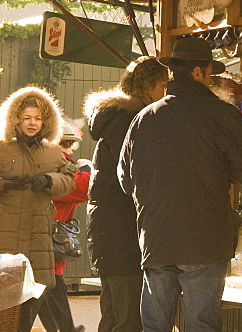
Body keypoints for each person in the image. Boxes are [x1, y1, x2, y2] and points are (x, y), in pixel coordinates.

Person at [118, 37, 242, 332]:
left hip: (156, 240)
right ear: (199, 73)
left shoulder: (143, 118)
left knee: (155, 327)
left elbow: (125, 179)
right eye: (210, 73)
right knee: (201, 326)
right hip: (204, 241)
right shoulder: (220, 115)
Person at [0, 87, 75, 332]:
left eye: (38, 118)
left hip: (37, 237)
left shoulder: (52, 150)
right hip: (0, 234)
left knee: (33, 297)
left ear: (46, 120)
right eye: (27, 117)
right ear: (16, 118)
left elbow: (69, 179)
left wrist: (50, 180)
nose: (32, 123)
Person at [86, 56, 168, 332]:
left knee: (113, 315)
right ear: (149, 87)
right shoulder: (129, 122)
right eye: (163, 87)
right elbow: (138, 177)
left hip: (109, 232)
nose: (166, 94)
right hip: (122, 233)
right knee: (126, 318)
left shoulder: (115, 119)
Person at [38, 120, 90, 332]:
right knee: (52, 283)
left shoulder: (47, 161)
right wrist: (87, 171)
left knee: (41, 288)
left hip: (44, 234)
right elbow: (82, 189)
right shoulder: (64, 165)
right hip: (51, 235)